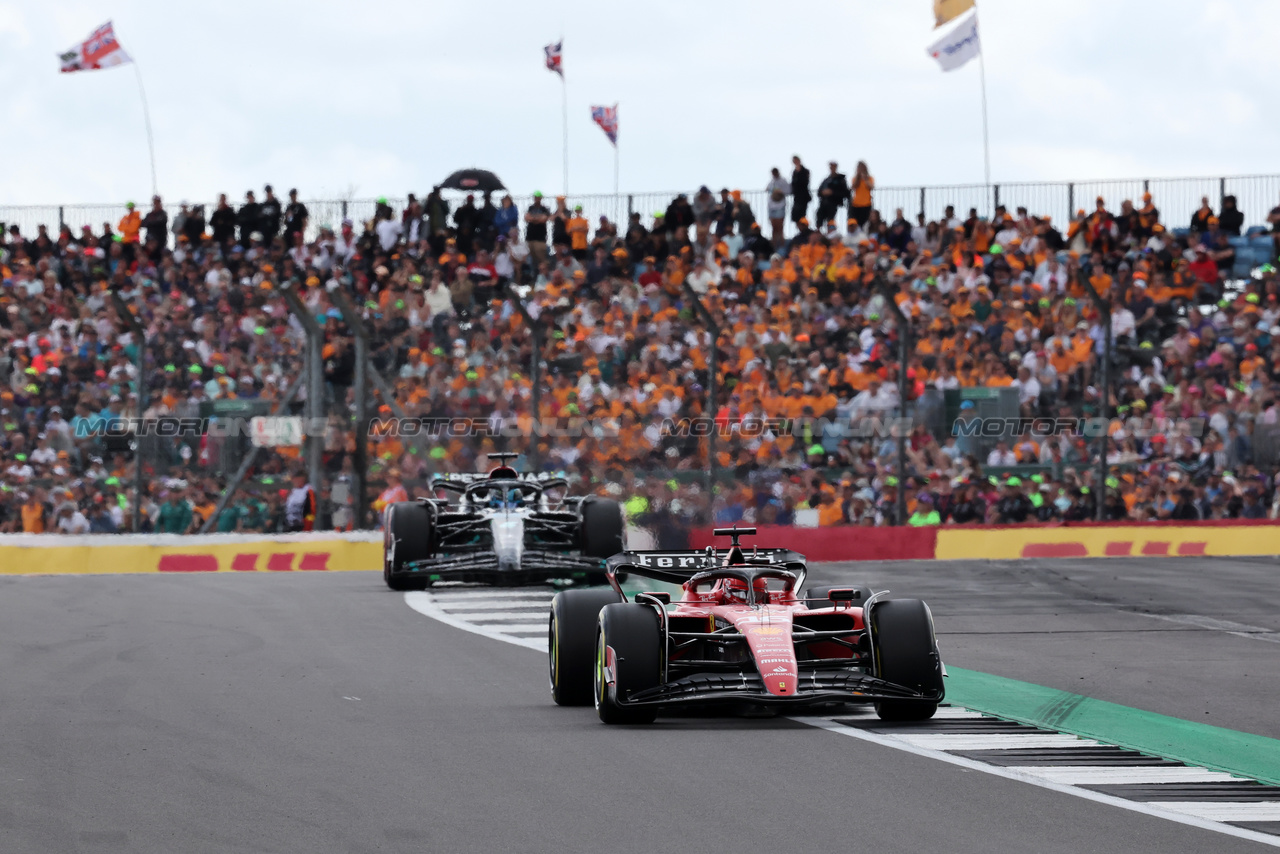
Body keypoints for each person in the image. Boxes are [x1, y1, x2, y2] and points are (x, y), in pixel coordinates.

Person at [815, 161, 849, 229]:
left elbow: (845, 192)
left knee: (830, 221)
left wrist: (832, 192)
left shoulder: (840, 179)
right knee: (819, 218)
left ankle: (830, 232)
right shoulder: (826, 180)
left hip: (833, 203)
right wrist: (823, 193)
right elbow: (819, 192)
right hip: (823, 203)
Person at [524, 192, 551, 267]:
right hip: (530, 238)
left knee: (541, 260)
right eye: (535, 197)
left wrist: (533, 218)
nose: (537, 199)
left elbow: (544, 219)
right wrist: (538, 218)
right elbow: (526, 218)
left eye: (538, 197)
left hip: (540, 239)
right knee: (531, 260)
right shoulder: (530, 208)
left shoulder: (544, 209)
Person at [849, 161, 874, 227]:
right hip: (856, 204)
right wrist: (858, 178)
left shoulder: (870, 178)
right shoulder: (854, 178)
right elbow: (853, 186)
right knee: (855, 222)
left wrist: (865, 178)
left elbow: (871, 187)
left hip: (866, 204)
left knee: (865, 222)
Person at [790, 155, 810, 226]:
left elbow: (805, 182)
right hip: (797, 197)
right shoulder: (794, 172)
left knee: (802, 215)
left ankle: (804, 228)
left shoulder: (805, 171)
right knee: (795, 215)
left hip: (803, 196)